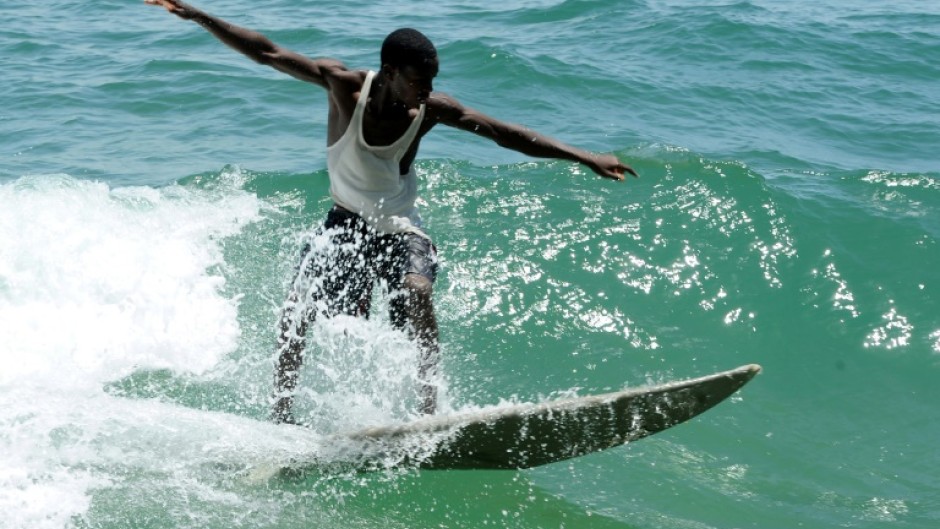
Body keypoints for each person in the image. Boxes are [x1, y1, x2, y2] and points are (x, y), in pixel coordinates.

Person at [145, 0, 638, 423]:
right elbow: (268, 52)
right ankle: (282, 411)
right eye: (418, 81)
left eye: (432, 81)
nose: (425, 91)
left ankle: (430, 412)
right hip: (344, 225)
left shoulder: (430, 111)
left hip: (402, 230)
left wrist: (584, 156)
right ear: (389, 72)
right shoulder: (343, 87)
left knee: (416, 289)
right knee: (299, 308)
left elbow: (505, 132)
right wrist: (194, 13)